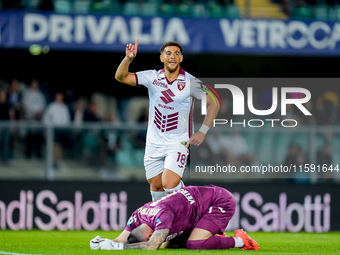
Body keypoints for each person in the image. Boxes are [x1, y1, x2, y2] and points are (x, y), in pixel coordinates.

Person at [115, 39, 220, 201]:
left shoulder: (190, 82)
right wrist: (128, 59)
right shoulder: (152, 77)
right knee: (156, 187)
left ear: (181, 59)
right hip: (153, 143)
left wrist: (202, 131)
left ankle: (195, 203)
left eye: (176, 54)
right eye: (168, 53)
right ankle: (164, 223)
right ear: (161, 58)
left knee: (169, 184)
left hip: (177, 143)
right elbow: (121, 77)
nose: (172, 56)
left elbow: (214, 103)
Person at [90, 185, 259, 250]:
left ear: (149, 234)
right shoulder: (137, 215)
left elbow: (152, 246)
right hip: (194, 209)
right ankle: (210, 235)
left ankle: (241, 241)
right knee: (172, 245)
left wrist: (118, 249)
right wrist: (102, 242)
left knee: (195, 244)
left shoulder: (163, 216)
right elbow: (121, 239)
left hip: (218, 200)